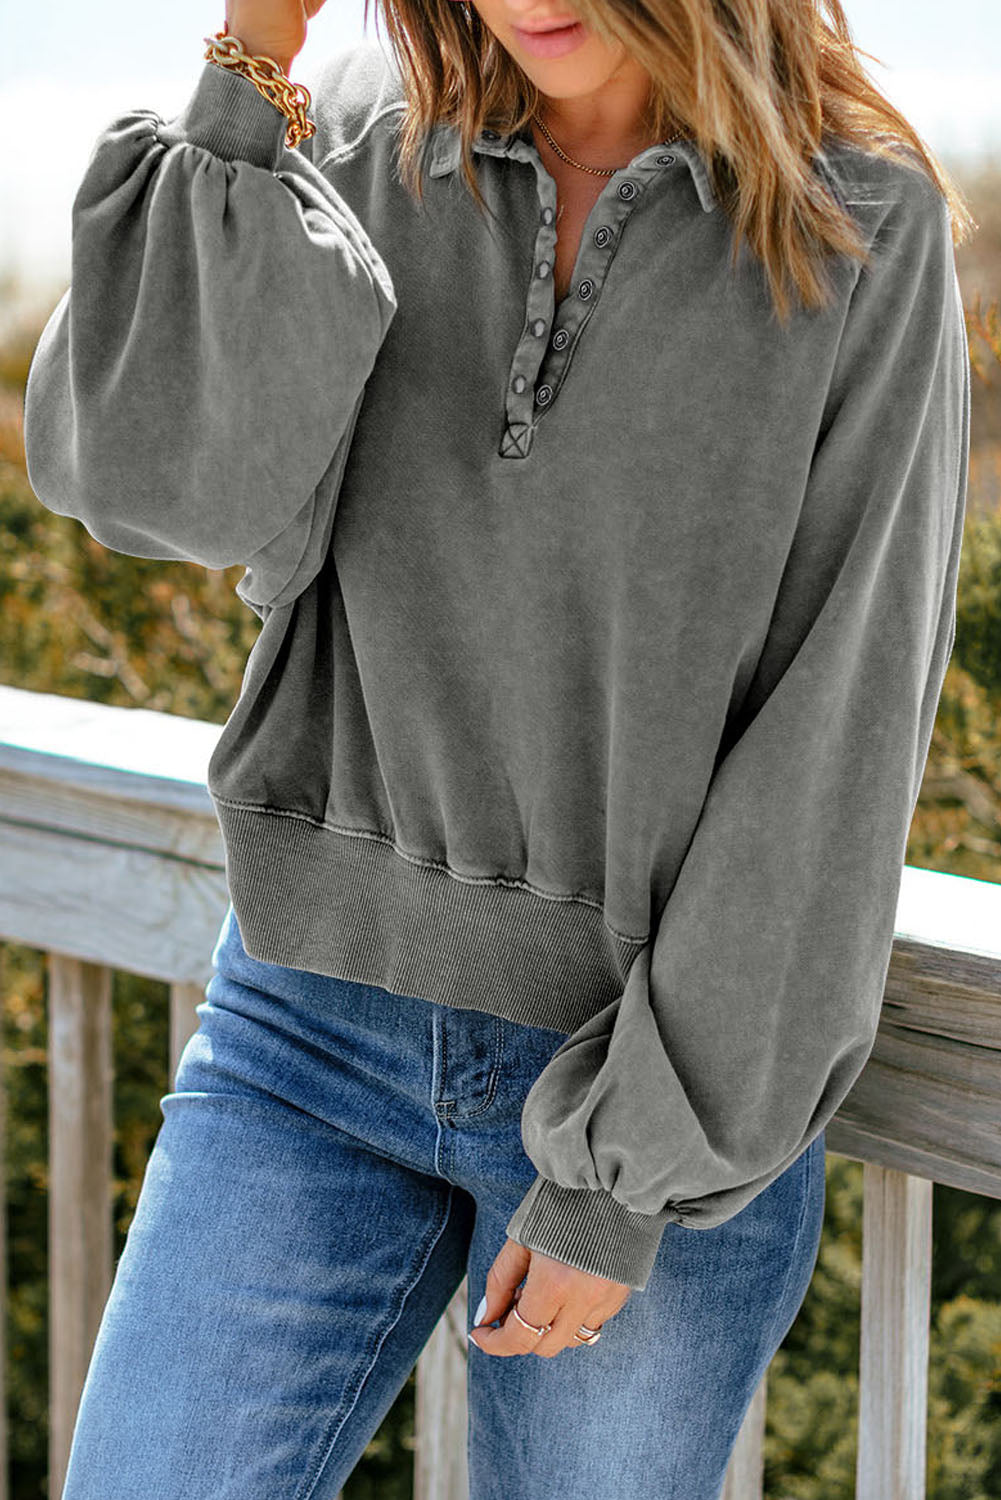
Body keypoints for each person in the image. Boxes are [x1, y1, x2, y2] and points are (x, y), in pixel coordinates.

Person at [23, 0, 972, 1495]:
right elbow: (156, 491)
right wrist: (250, 55)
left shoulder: (856, 226)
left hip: (635, 1082)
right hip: (300, 1029)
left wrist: (628, 1174)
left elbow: (832, 731)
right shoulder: (351, 124)